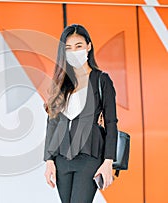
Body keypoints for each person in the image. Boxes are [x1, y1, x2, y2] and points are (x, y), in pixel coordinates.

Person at [43, 24, 118, 203]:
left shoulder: (101, 80)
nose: (74, 51)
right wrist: (49, 160)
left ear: (88, 47)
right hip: (62, 159)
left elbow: (111, 123)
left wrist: (108, 162)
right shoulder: (62, 82)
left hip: (89, 157)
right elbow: (53, 122)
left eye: (78, 46)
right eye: (68, 48)